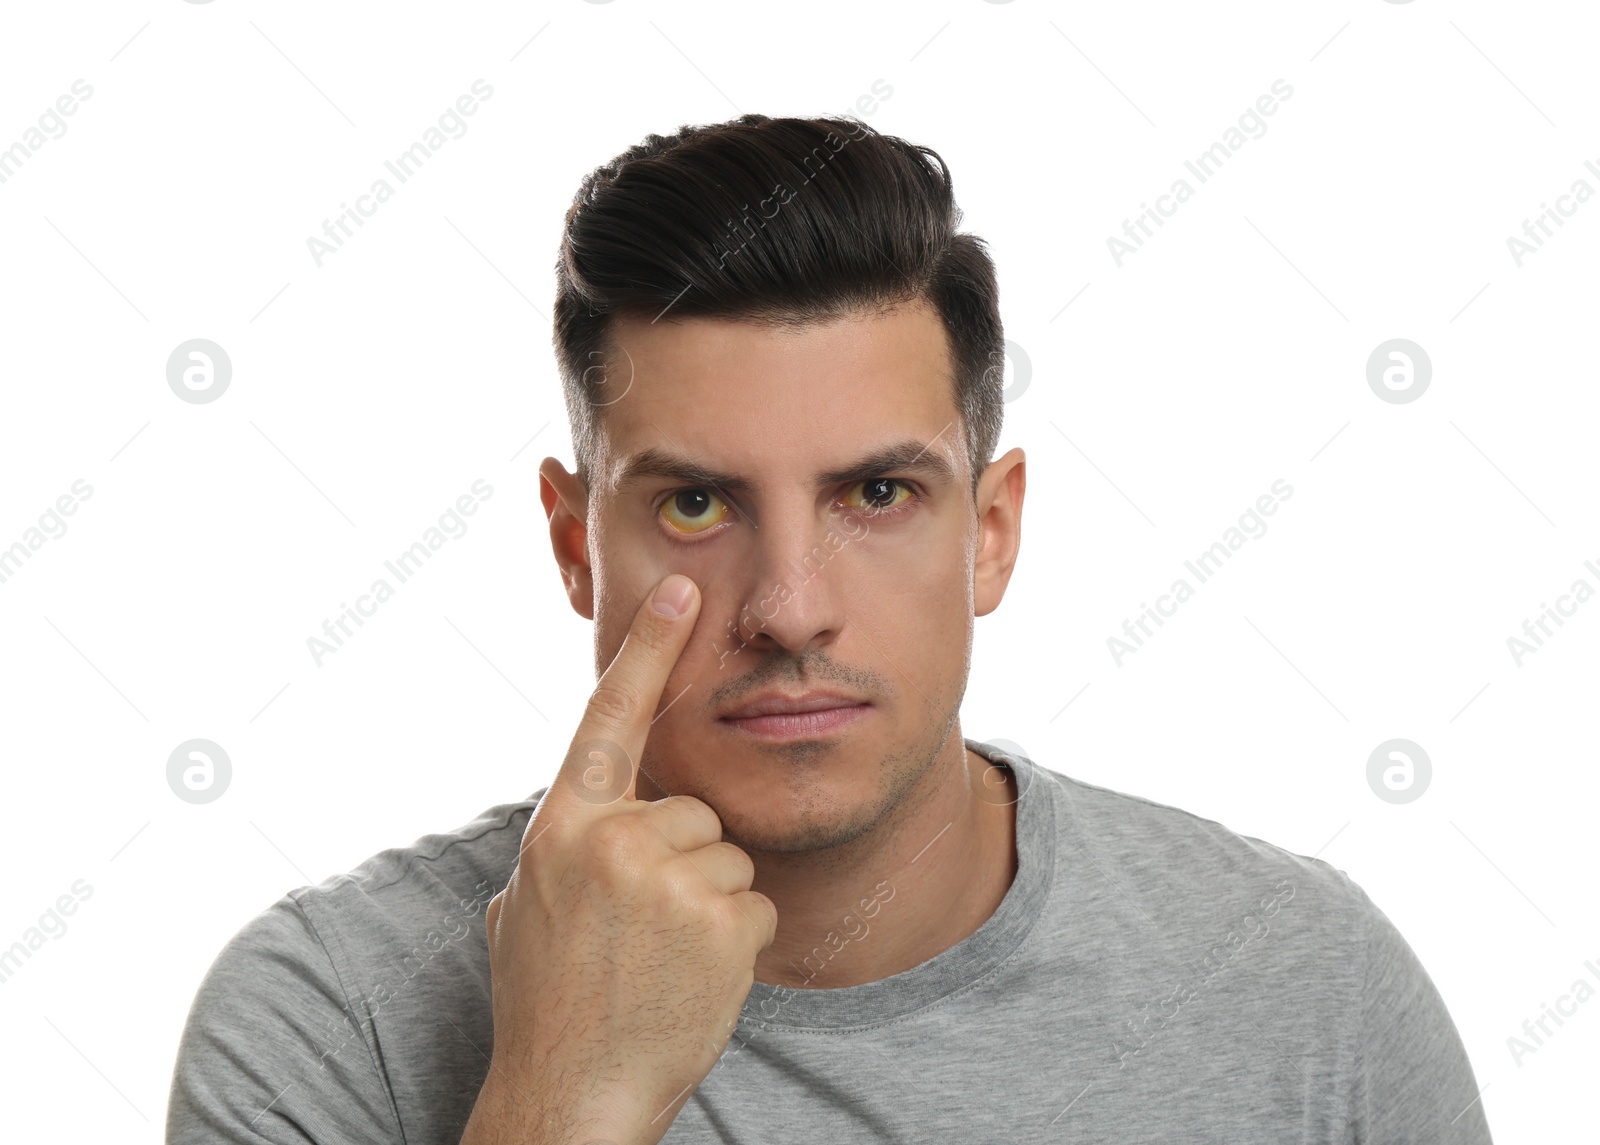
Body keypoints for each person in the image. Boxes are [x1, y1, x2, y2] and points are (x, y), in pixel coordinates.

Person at [166, 114, 1493, 1144]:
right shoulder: (330, 1018)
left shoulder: (1312, 991)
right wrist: (564, 1095)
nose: (788, 606)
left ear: (991, 529)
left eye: (875, 492)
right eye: (694, 503)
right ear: (576, 543)